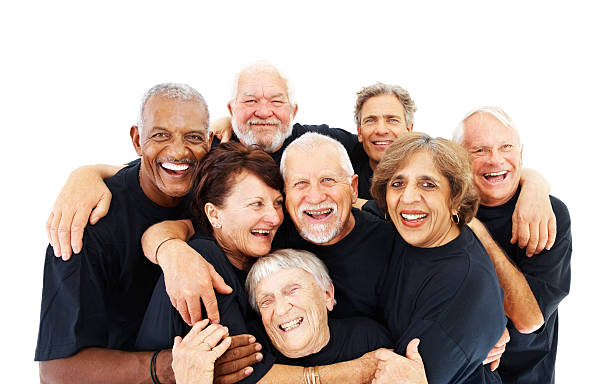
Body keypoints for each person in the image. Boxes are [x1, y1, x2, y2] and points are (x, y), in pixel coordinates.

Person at [46, 62, 556, 267]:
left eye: (275, 101)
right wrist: (84, 174)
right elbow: (159, 162)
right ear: (231, 111)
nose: (263, 110)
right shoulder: (209, 154)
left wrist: (533, 180)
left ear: (295, 112)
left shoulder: (326, 145)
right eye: (250, 101)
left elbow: (448, 166)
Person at [136, 141, 399, 383]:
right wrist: (363, 370)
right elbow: (247, 375)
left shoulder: (266, 244)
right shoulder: (205, 261)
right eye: (256, 204)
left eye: (277, 203)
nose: (273, 217)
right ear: (214, 214)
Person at [34, 83, 231, 383]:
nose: (178, 151)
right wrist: (172, 366)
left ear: (208, 141)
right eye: (160, 135)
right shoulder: (90, 223)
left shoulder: (218, 186)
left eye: (192, 137)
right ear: (138, 140)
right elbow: (56, 372)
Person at [369, 132, 507, 383]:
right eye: (397, 184)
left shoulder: (462, 288)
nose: (408, 198)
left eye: (428, 184)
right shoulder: (412, 230)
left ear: (455, 199)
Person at [453, 107, 572, 384]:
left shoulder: (549, 215)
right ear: (459, 158)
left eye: (506, 147)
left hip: (526, 376)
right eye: (479, 150)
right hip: (459, 370)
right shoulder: (445, 207)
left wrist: (479, 234)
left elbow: (529, 319)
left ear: (521, 153)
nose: (495, 160)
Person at [245, 248, 395, 366]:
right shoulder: (254, 350)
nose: (281, 310)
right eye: (266, 301)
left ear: (327, 295)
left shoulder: (367, 338)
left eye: (292, 291)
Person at [351, 82, 416, 200]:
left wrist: (356, 204)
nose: (381, 130)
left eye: (392, 120)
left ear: (409, 129)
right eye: (370, 120)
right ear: (359, 132)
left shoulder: (430, 171)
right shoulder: (348, 166)